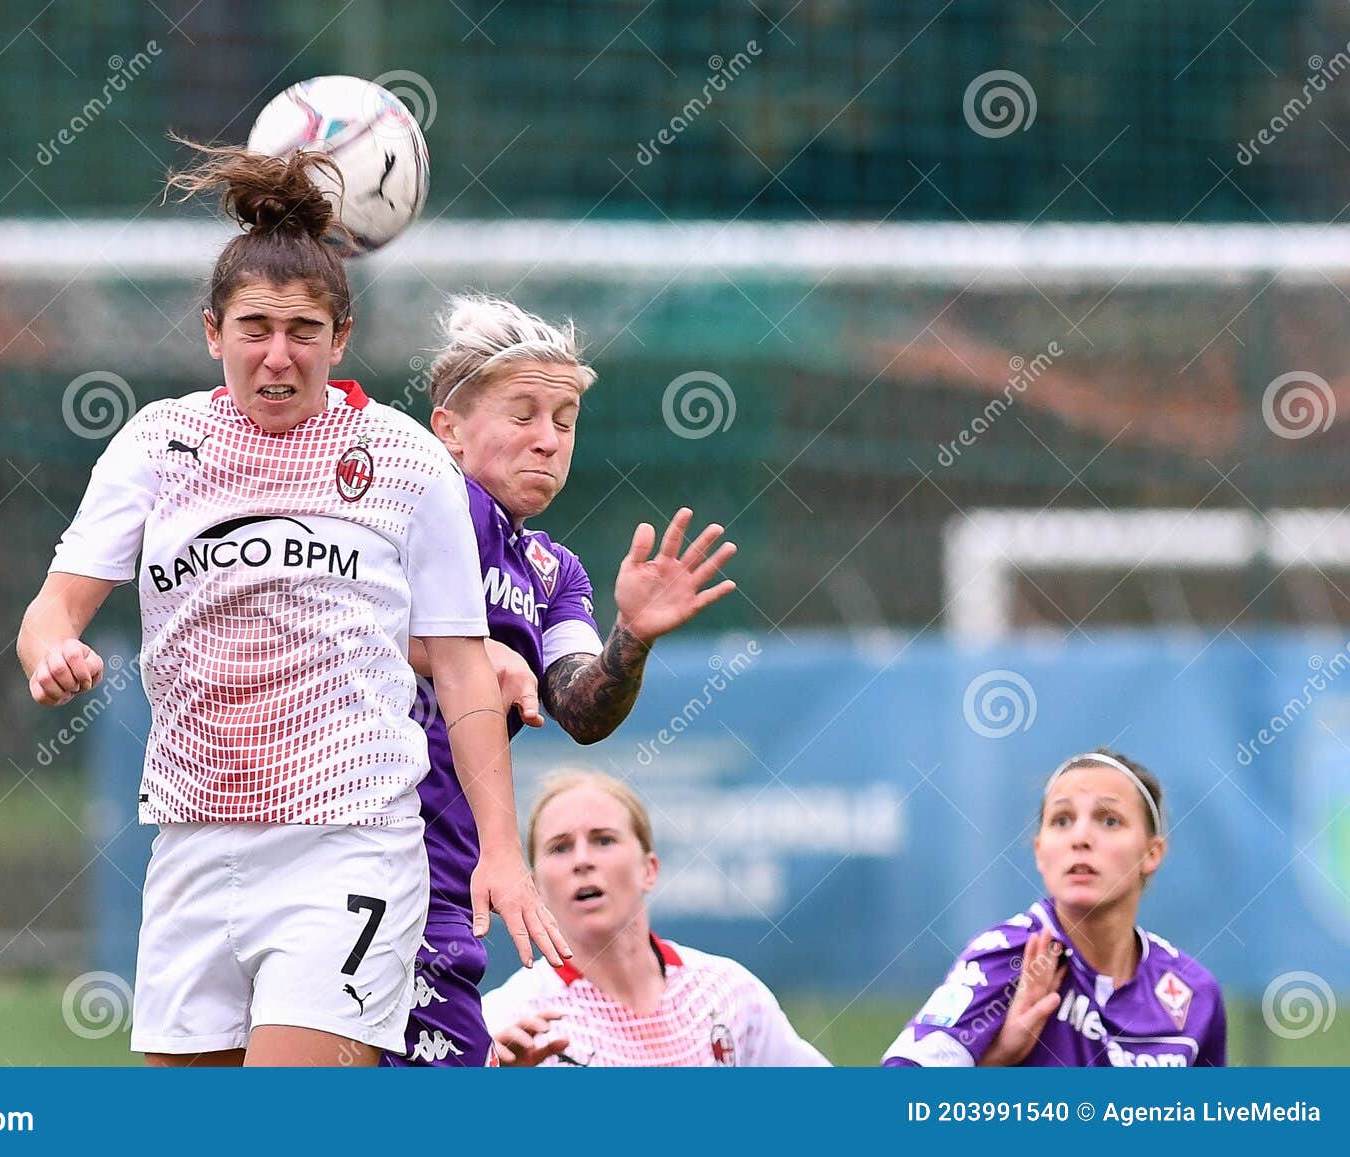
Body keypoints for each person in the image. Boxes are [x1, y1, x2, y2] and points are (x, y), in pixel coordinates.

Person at [17, 145, 566, 1068]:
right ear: (211, 332)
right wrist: (52, 650)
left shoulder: (401, 461)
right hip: (193, 837)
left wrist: (501, 852)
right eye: (255, 327)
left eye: (303, 330)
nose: (278, 355)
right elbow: (51, 608)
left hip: (347, 844)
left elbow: (465, 666)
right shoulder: (159, 445)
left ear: (341, 338)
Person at [384, 296, 739, 1067]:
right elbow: (332, 619)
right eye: (523, 413)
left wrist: (631, 637)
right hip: (355, 853)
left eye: (566, 418)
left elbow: (580, 705)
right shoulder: (409, 507)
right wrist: (469, 654)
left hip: (450, 879)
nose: (548, 439)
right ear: (448, 427)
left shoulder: (553, 571)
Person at [883, 750, 1226, 1067]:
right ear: (1039, 851)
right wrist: (996, 1060)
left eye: (1109, 820)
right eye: (1062, 820)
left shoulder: (1194, 992)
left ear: (1152, 853)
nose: (1080, 838)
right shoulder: (1007, 957)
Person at [482, 771, 830, 1066]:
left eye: (604, 840)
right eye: (560, 847)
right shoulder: (506, 1019)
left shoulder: (730, 994)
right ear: (536, 887)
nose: (582, 860)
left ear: (649, 870)